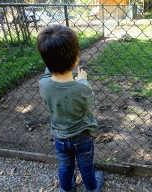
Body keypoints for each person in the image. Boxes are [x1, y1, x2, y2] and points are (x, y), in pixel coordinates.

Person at [37, 24, 104, 192]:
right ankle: (93, 188)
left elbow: (48, 73)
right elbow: (90, 102)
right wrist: (82, 80)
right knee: (86, 167)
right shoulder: (82, 88)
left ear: (45, 61)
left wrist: (51, 58)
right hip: (82, 138)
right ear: (76, 59)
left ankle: (66, 189)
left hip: (60, 138)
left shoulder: (44, 85)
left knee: (65, 166)